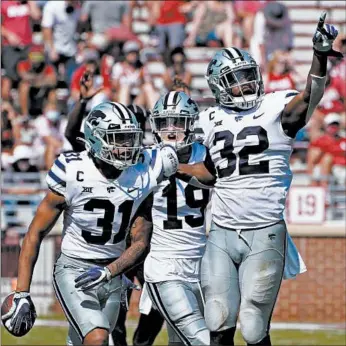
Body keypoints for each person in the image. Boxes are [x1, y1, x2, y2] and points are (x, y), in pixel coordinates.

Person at [177, 12, 342, 346]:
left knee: (252, 325)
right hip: (221, 231)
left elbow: (309, 96)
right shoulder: (211, 119)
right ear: (219, 86)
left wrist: (319, 58)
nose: (248, 84)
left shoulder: (275, 106)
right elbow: (211, 172)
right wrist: (175, 170)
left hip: (264, 230)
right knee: (217, 318)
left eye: (249, 76)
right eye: (237, 79)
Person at [1, 101, 179, 345]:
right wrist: (22, 291)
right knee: (97, 338)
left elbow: (141, 242)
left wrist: (111, 271)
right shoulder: (74, 170)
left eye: (130, 138)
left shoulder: (143, 172)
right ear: (97, 140)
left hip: (113, 272)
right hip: (75, 270)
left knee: (90, 341)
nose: (127, 146)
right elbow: (35, 233)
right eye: (118, 138)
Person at [143, 91, 211, 345]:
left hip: (203, 264)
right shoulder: (145, 159)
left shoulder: (207, 154)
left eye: (178, 122)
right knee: (202, 340)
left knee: (180, 341)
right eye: (163, 123)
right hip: (165, 264)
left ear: (191, 124)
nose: (170, 130)